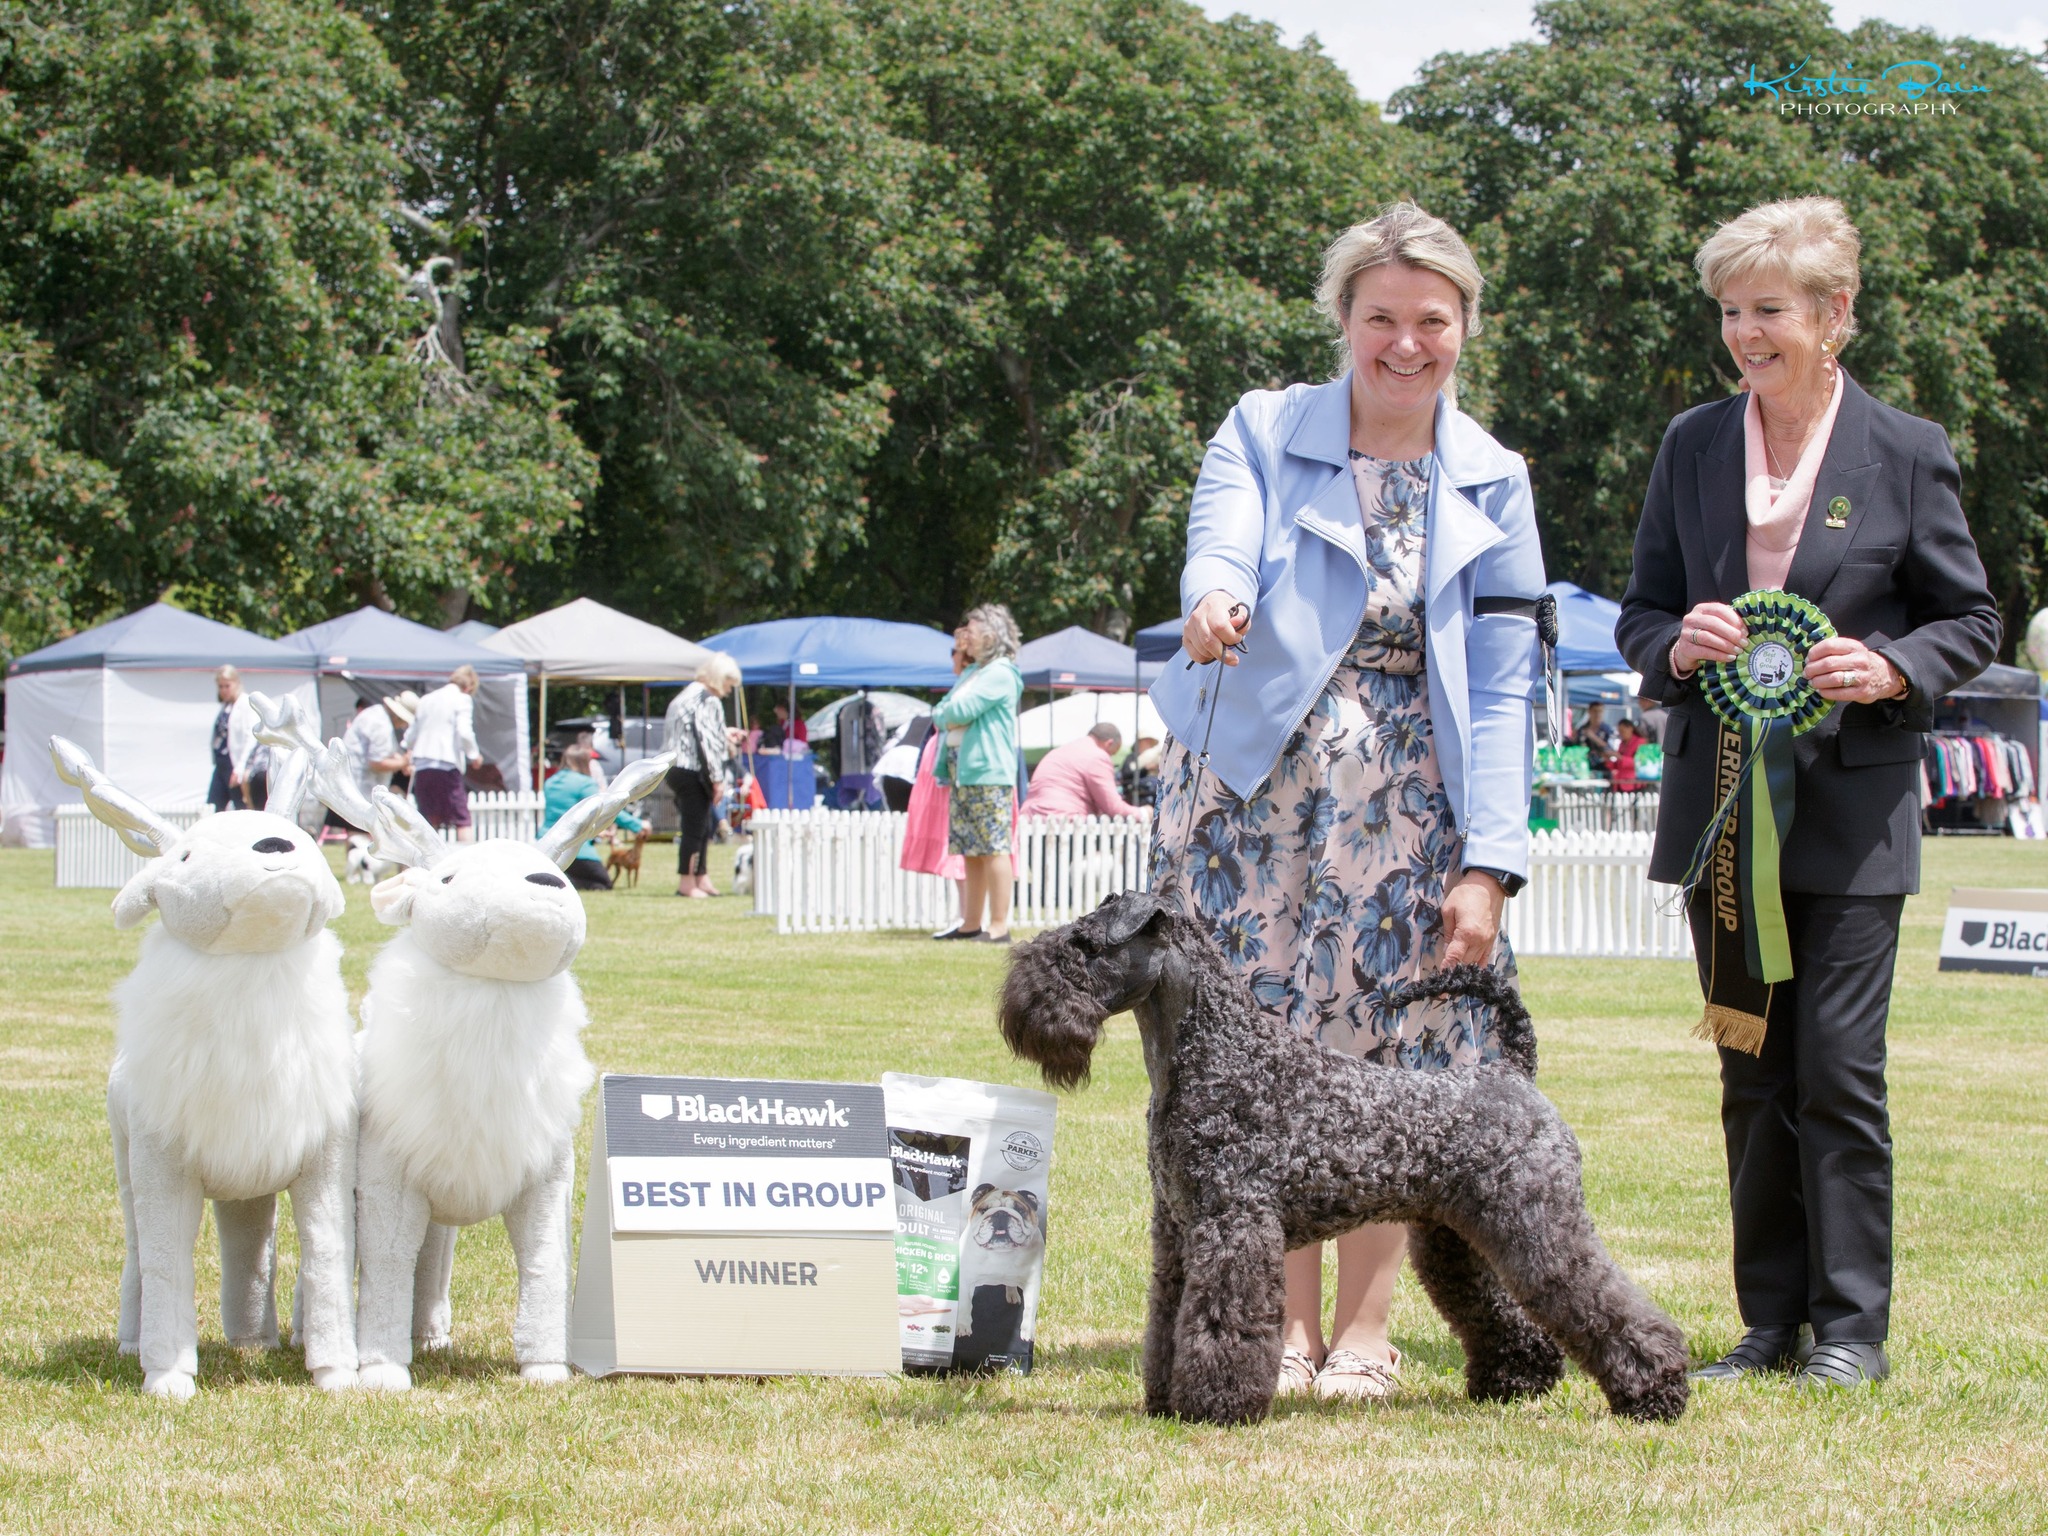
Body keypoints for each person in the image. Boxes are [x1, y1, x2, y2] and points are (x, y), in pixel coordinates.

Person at [1148, 202, 1545, 1404]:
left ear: (1465, 327)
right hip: (1247, 791)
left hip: (1408, 803)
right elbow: (1219, 544)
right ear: (1342, 319)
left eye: (1431, 320)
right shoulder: (1264, 427)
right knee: (1247, 1060)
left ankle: (1365, 1333)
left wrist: (1487, 862)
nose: (1405, 344)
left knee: (1395, 1061)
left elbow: (1502, 686)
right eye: (1380, 317)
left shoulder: (1494, 478)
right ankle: (1271, 1327)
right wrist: (1213, 601)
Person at [1616, 196, 1999, 1389]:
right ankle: (1765, 1324)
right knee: (1751, 1071)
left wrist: (1890, 667)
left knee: (1837, 1072)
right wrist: (1676, 646)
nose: (1744, 333)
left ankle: (1849, 1332)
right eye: (1729, 311)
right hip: (1720, 814)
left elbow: (1968, 619)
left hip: (1850, 815)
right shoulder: (1688, 445)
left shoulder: (1906, 449)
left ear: (1834, 315)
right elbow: (1639, 615)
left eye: (1767, 310)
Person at [930, 604, 1025, 943]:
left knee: (994, 847)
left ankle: (998, 926)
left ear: (989, 634)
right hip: (965, 772)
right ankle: (971, 924)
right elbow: (942, 712)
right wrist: (947, 714)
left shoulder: (1001, 673)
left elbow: (959, 710)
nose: (964, 636)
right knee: (971, 848)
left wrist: (947, 714)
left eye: (970, 630)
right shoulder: (976, 672)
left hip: (988, 772)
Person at [664, 652, 742, 897]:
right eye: (728, 684)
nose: (728, 690)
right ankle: (687, 883)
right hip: (692, 769)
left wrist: (724, 733)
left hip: (675, 766)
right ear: (719, 678)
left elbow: (695, 730)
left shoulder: (688, 694)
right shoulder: (708, 699)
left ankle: (702, 877)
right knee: (695, 828)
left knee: (702, 823)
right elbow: (708, 744)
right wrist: (718, 779)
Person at [542, 744, 644, 891]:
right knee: (603, 884)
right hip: (575, 849)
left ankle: (560, 878)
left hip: (546, 843)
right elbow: (606, 808)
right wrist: (637, 825)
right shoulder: (585, 783)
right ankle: (566, 882)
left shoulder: (550, 782)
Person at [403, 665, 483, 839]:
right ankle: (467, 855)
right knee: (462, 820)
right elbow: (464, 732)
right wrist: (474, 755)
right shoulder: (462, 699)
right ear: (469, 687)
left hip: (423, 767)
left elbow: (411, 734)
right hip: (446, 765)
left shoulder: (426, 699)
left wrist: (407, 748)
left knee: (426, 821)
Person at [329, 691, 416, 834]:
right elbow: (377, 763)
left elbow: (385, 752)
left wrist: (402, 762)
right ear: (398, 716)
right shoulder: (381, 725)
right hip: (360, 787)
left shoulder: (376, 713)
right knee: (362, 833)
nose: (403, 726)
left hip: (353, 782)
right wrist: (403, 762)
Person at [1021, 723, 1148, 819]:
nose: (1110, 757)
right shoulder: (1098, 756)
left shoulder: (1061, 750)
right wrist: (1143, 813)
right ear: (1109, 743)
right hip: (1063, 821)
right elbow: (1113, 807)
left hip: (1030, 818)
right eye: (1112, 753)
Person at [206, 666, 246, 812]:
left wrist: (240, 767)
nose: (224, 690)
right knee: (213, 806)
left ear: (236, 683)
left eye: (227, 686)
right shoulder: (226, 707)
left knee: (241, 807)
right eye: (221, 687)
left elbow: (249, 738)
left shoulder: (244, 704)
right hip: (221, 764)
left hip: (233, 764)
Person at [1576, 700, 1617, 770]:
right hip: (1585, 765)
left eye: (1600, 711)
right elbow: (1577, 747)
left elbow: (1611, 750)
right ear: (1589, 712)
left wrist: (1594, 737)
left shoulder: (1607, 730)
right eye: (1595, 711)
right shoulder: (1582, 729)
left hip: (1603, 766)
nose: (1597, 714)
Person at [1606, 716, 1643, 793]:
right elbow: (1618, 764)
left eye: (1623, 731)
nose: (1621, 734)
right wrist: (1607, 759)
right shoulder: (1622, 744)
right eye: (1619, 732)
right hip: (1620, 782)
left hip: (1633, 783)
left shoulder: (1640, 742)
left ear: (1630, 728)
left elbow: (1639, 762)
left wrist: (1620, 757)